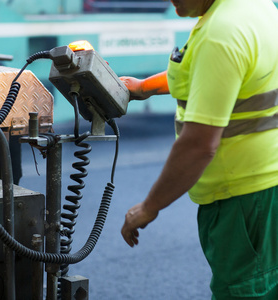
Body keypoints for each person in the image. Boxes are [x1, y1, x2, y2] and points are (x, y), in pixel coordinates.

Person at [119, 0, 278, 299]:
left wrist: (149, 207)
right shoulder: (255, 8)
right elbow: (212, 74)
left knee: (245, 290)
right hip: (267, 184)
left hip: (241, 199)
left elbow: (198, 145)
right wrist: (144, 87)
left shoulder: (221, 32)